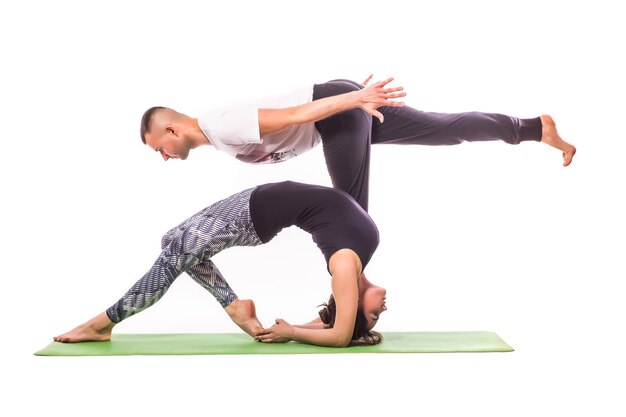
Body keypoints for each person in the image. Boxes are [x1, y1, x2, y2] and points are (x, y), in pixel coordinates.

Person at [140, 75, 576, 211]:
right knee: (444, 130)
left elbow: (294, 115)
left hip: (339, 109)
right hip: (343, 108)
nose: (162, 156)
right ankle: (535, 128)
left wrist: (354, 100)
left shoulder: (221, 124)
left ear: (172, 130)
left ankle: (346, 309)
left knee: (347, 211)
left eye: (157, 146)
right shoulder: (218, 136)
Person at [53, 181, 387, 348]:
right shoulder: (361, 254)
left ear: (352, 303)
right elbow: (334, 325)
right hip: (250, 201)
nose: (382, 308)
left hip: (248, 218)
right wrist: (312, 326)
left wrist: (292, 333)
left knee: (173, 256)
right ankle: (235, 306)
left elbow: (341, 336)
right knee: (172, 241)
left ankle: (102, 323)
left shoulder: (345, 267)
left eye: (373, 314)